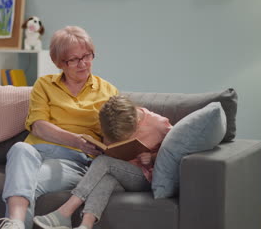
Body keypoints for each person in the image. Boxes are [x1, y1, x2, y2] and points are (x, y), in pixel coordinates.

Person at [0, 26, 119, 229]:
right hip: (37, 151)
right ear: (59, 63)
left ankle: (13, 223)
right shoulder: (44, 85)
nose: (83, 63)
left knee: (25, 182)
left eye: (87, 56)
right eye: (74, 59)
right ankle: (15, 223)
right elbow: (39, 127)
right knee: (19, 148)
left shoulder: (108, 91)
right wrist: (75, 139)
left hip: (75, 160)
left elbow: (114, 135)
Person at [32, 95, 172, 229]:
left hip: (144, 177)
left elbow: (177, 149)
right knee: (106, 179)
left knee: (104, 162)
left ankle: (65, 212)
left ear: (135, 122)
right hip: (119, 174)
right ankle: (86, 225)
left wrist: (152, 157)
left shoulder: (157, 124)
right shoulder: (111, 124)